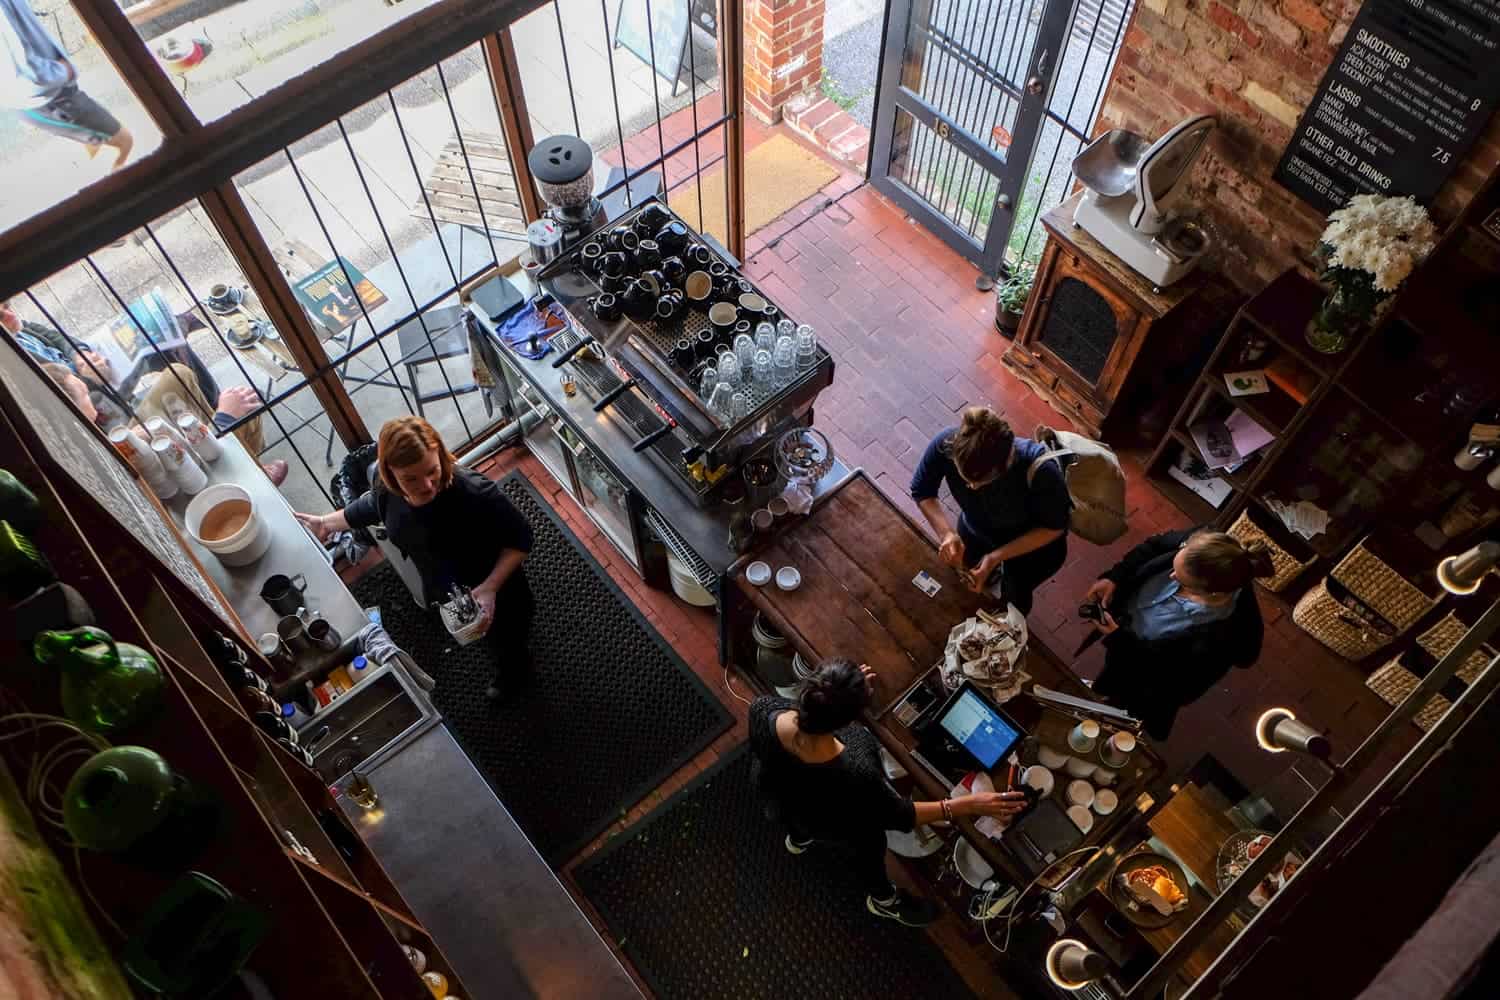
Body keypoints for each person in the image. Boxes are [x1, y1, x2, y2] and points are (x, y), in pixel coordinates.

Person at [749, 659, 1027, 927]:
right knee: (867, 850)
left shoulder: (764, 708)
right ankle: (883, 900)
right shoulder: (857, 761)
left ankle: (798, 839)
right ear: (849, 716)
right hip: (834, 822)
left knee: (793, 818)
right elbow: (900, 816)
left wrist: (843, 690)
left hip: (778, 794)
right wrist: (968, 804)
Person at [294, 416, 534, 700]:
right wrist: (325, 523)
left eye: (432, 471)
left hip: (499, 594)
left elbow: (522, 540)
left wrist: (492, 587)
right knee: (479, 637)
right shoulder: (386, 488)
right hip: (446, 588)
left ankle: (515, 674)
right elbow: (372, 506)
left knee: (505, 643)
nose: (428, 485)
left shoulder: (476, 494)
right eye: (411, 479)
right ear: (390, 474)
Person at [1084, 528, 1273, 740]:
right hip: (1124, 642)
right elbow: (1154, 546)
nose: (1171, 575)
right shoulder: (1202, 546)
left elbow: (1167, 683)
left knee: (1119, 698)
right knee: (1110, 676)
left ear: (1212, 593)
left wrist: (1120, 641)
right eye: (1175, 562)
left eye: (1182, 582)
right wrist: (1116, 577)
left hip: (1140, 675)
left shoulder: (1219, 639)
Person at [910, 406, 1069, 614]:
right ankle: (988, 576)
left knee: (1014, 601)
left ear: (1006, 464)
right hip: (974, 529)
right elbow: (922, 490)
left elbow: (1054, 527)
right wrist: (947, 533)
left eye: (981, 481)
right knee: (966, 573)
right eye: (966, 479)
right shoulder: (946, 444)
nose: (973, 488)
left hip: (1031, 551)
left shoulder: (1042, 472)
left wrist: (995, 557)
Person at [1, 0, 133, 168]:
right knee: (125, 142)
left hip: (43, 98)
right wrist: (64, 70)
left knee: (97, 142)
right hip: (49, 100)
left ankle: (97, 156)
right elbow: (31, 76)